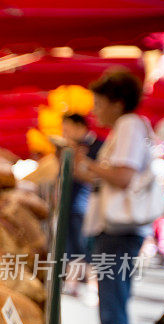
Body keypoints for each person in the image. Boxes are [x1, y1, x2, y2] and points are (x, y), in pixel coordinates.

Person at [73, 70, 154, 324]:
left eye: (99, 103)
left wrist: (90, 164)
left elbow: (122, 176)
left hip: (119, 234)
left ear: (117, 102)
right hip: (115, 233)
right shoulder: (127, 128)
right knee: (112, 311)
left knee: (114, 314)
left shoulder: (130, 126)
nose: (96, 111)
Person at [60, 113, 102, 296]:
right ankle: (73, 283)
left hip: (85, 204)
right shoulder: (69, 148)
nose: (65, 133)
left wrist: (76, 164)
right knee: (71, 246)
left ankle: (94, 285)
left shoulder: (96, 146)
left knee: (84, 246)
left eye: (67, 129)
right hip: (70, 203)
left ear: (80, 127)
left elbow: (96, 178)